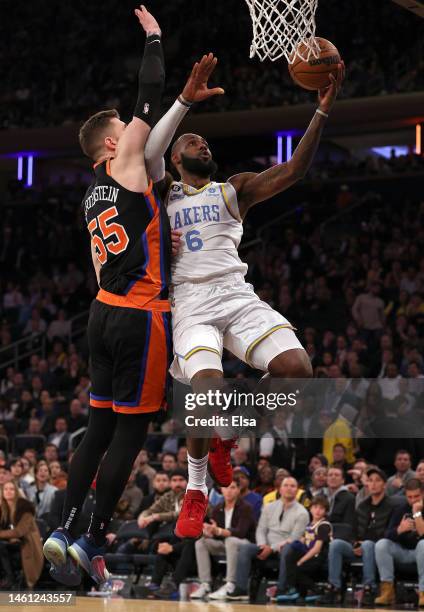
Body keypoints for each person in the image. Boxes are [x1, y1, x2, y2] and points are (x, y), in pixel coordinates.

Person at [42, 6, 221, 586]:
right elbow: (150, 95)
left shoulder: (92, 195)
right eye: (127, 127)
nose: (134, 130)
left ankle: (64, 528)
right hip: (141, 317)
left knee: (95, 428)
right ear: (114, 141)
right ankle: (92, 535)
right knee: (131, 433)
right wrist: (155, 38)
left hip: (100, 312)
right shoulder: (125, 162)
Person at [144, 39, 344, 537]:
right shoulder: (159, 192)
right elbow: (146, 151)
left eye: (204, 142)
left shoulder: (234, 187)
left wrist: (321, 109)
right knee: (204, 389)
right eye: (191, 142)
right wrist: (184, 101)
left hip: (237, 294)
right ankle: (195, 489)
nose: (201, 144)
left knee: (298, 370)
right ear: (173, 160)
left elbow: (294, 170)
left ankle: (226, 437)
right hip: (189, 302)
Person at [228, 477, 309, 600]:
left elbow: (294, 538)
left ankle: (282, 588)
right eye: (286, 485)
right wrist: (262, 545)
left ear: (297, 490)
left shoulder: (302, 513)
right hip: (265, 546)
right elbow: (261, 529)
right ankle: (241, 589)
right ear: (280, 489)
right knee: (245, 548)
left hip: (286, 549)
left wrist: (271, 548)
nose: (289, 488)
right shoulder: (269, 507)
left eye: (292, 486)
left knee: (288, 548)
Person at [322, 467, 394, 606]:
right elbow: (353, 530)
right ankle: (334, 587)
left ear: (384, 484)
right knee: (336, 544)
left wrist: (364, 543)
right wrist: (354, 543)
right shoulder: (362, 506)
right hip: (359, 545)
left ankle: (369, 588)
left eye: (377, 481)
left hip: (377, 547)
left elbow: (389, 533)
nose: (373, 484)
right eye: (370, 481)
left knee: (367, 544)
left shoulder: (391, 505)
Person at [190, 478, 256, 600]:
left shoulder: (245, 507)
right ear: (221, 490)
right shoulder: (217, 508)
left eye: (232, 488)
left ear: (238, 490)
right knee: (201, 541)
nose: (229, 491)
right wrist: (209, 532)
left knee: (231, 540)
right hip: (225, 544)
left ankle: (230, 584)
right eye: (225, 488)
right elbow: (216, 533)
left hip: (244, 544)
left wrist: (218, 531)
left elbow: (241, 533)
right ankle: (205, 583)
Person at [374, 477, 424, 607]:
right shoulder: (400, 509)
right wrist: (399, 529)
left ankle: (423, 592)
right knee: (381, 545)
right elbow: (386, 534)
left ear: (423, 493)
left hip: (421, 551)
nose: (413, 500)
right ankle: (387, 592)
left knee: (423, 544)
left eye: (416, 496)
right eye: (410, 497)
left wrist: (417, 513)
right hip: (403, 552)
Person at [277, 495, 332, 603]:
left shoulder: (323, 526)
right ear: (310, 509)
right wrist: (286, 542)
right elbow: (301, 540)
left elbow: (316, 549)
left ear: (325, 511)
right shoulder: (309, 525)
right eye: (315, 507)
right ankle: (294, 590)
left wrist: (301, 561)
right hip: (309, 555)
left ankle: (316, 590)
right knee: (290, 554)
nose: (318, 510)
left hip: (318, 557)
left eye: (321, 508)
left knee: (296, 569)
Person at [0, 481, 44, 589]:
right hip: (11, 543)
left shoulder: (24, 507)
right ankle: (8, 578)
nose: (8, 492)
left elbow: (20, 532)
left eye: (11, 489)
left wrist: (5, 535)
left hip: (27, 544)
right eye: (5, 489)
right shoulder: (2, 509)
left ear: (16, 492)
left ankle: (10, 579)